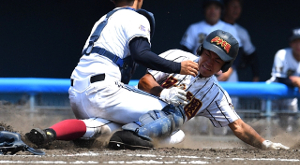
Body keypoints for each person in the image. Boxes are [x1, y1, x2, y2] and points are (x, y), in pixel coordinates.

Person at [26, 0, 199, 146]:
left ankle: (50, 133)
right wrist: (177, 67)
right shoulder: (136, 16)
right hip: (103, 89)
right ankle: (129, 137)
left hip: (77, 95)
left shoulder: (104, 19)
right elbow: (141, 54)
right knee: (172, 118)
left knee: (104, 126)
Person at [108, 30, 289, 151]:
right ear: (201, 50)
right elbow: (144, 82)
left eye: (217, 60)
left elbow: (239, 126)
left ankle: (123, 136)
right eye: (208, 53)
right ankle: (130, 134)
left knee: (177, 135)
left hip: (159, 125)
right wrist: (164, 93)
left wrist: (264, 143)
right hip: (133, 108)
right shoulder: (177, 57)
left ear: (224, 67)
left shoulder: (215, 94)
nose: (210, 61)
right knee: (176, 113)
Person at [266, 27, 300, 132]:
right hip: (273, 94)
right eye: (295, 41)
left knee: (288, 126)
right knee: (268, 123)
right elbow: (280, 78)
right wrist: (295, 81)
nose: (298, 45)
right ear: (291, 43)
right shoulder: (282, 54)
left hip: (290, 97)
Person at [223, 0, 259, 82]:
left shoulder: (242, 32)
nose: (236, 9)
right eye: (233, 5)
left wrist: (256, 76)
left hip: (229, 74)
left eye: (238, 6)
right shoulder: (212, 27)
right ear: (225, 8)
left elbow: (252, 55)